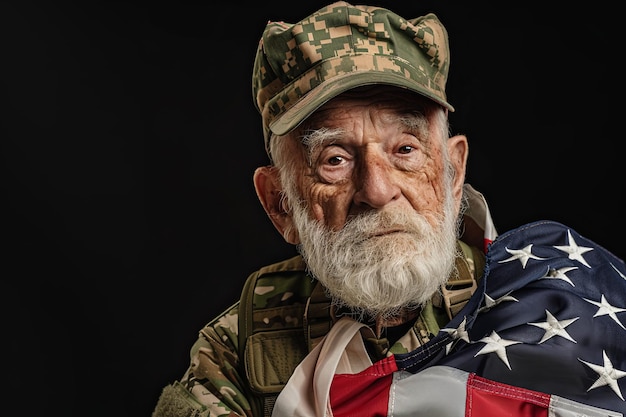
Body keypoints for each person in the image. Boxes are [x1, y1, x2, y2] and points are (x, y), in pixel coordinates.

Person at [151, 2, 626, 416]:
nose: (377, 190)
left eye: (405, 150)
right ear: (280, 203)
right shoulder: (239, 348)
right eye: (334, 160)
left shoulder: (556, 299)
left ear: (453, 173)